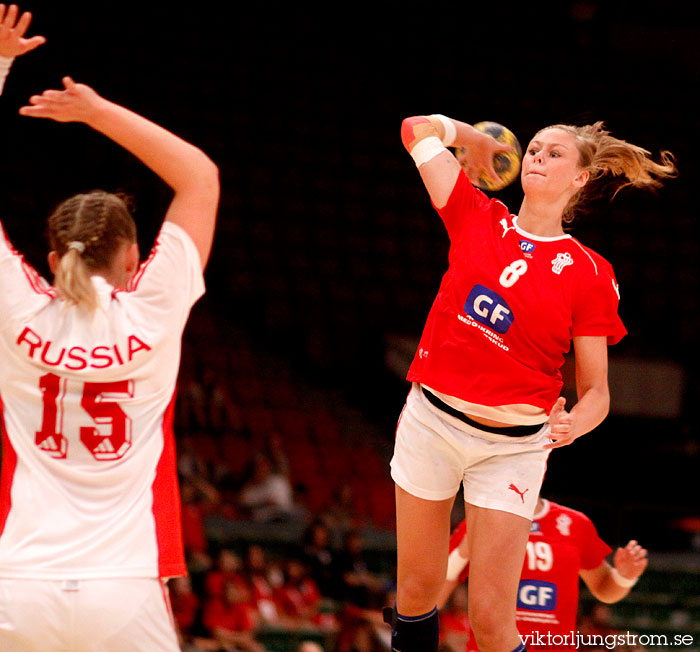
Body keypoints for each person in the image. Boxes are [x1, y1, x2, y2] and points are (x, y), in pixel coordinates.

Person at [386, 110, 676, 652]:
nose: (539, 157)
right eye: (535, 150)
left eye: (554, 153)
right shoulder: (475, 214)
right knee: (417, 592)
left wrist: (575, 426)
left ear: (581, 178)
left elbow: (596, 394)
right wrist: (472, 140)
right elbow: (414, 129)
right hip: (432, 421)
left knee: (493, 622)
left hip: (512, 448)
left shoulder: (591, 272)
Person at [0, 6, 219, 651]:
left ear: (50, 258)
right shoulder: (155, 306)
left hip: (19, 580)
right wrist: (96, 111)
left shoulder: (16, 309)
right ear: (133, 259)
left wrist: (2, 65)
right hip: (125, 587)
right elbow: (200, 176)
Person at [437, 496, 648, 651]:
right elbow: (434, 600)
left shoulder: (574, 523)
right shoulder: (478, 521)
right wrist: (463, 552)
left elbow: (605, 590)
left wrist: (624, 577)